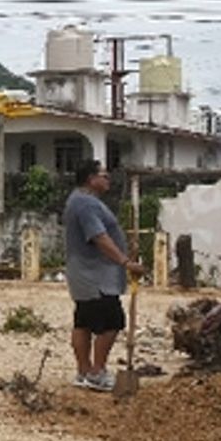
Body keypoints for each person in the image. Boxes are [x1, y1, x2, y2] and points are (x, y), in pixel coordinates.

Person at [62, 159, 143, 390]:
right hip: (95, 275)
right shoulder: (86, 204)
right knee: (112, 320)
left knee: (84, 322)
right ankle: (96, 372)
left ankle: (83, 371)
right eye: (104, 175)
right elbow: (99, 237)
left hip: (84, 274)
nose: (108, 179)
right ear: (91, 179)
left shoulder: (79, 200)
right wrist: (125, 262)